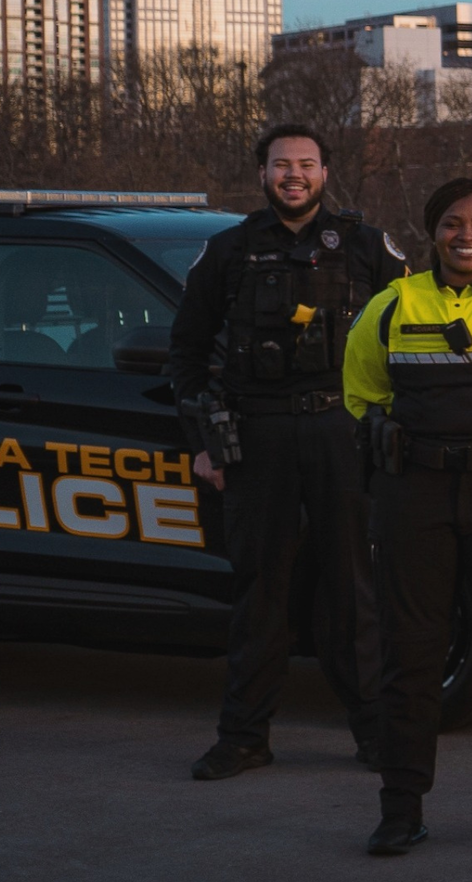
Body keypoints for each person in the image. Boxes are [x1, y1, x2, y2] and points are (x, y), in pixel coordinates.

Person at [172, 122, 405, 781]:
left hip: (343, 432)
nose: (293, 175)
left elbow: (411, 333)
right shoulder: (228, 250)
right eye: (281, 164)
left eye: (306, 163)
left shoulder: (365, 247)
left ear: (325, 172)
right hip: (259, 437)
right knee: (260, 589)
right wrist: (203, 442)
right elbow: (186, 353)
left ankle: (376, 734)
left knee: (354, 588)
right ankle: (243, 737)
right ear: (262, 174)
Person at [342, 178, 472, 856]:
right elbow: (360, 396)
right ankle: (401, 808)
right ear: (433, 230)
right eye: (455, 223)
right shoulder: (391, 305)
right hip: (416, 494)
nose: (469, 235)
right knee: (411, 655)